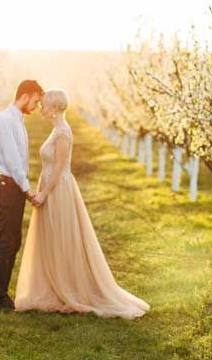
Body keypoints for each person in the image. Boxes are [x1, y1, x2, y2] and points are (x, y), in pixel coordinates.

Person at [14, 88, 149, 319]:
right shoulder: (56, 130)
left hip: (58, 190)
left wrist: (44, 193)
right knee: (53, 238)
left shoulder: (63, 133)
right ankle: (54, 286)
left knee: (63, 238)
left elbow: (59, 168)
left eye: (44, 105)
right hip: (50, 187)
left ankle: (70, 289)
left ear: (55, 108)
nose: (40, 108)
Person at [0, 79, 44, 311]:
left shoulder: (18, 120)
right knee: (7, 242)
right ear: (26, 95)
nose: (36, 106)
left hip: (15, 188)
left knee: (14, 242)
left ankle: (2, 294)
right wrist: (27, 189)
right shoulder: (5, 120)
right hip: (8, 187)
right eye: (35, 100)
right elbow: (12, 161)